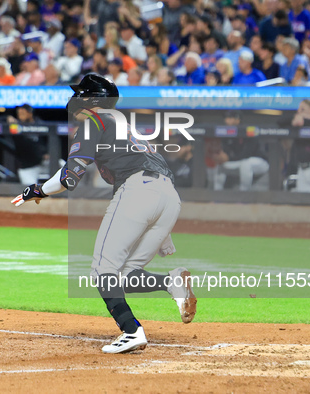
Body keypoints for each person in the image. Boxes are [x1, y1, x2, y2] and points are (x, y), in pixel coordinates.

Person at [10, 73, 197, 354]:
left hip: (138, 192)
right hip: (169, 197)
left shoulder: (94, 122)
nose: (75, 98)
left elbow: (69, 177)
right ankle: (172, 282)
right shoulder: (127, 128)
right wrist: (163, 231)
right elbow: (158, 175)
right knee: (126, 276)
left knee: (102, 271)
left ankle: (132, 331)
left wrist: (37, 190)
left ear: (91, 98)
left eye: (80, 93)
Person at [207, 111, 270, 191]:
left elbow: (247, 154)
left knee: (246, 163)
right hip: (240, 161)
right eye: (226, 118)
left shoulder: (248, 130)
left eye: (230, 118)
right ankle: (217, 193)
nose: (227, 121)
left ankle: (243, 194)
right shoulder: (225, 133)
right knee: (221, 165)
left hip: (259, 162)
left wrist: (228, 158)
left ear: (238, 120)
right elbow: (226, 153)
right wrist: (221, 158)